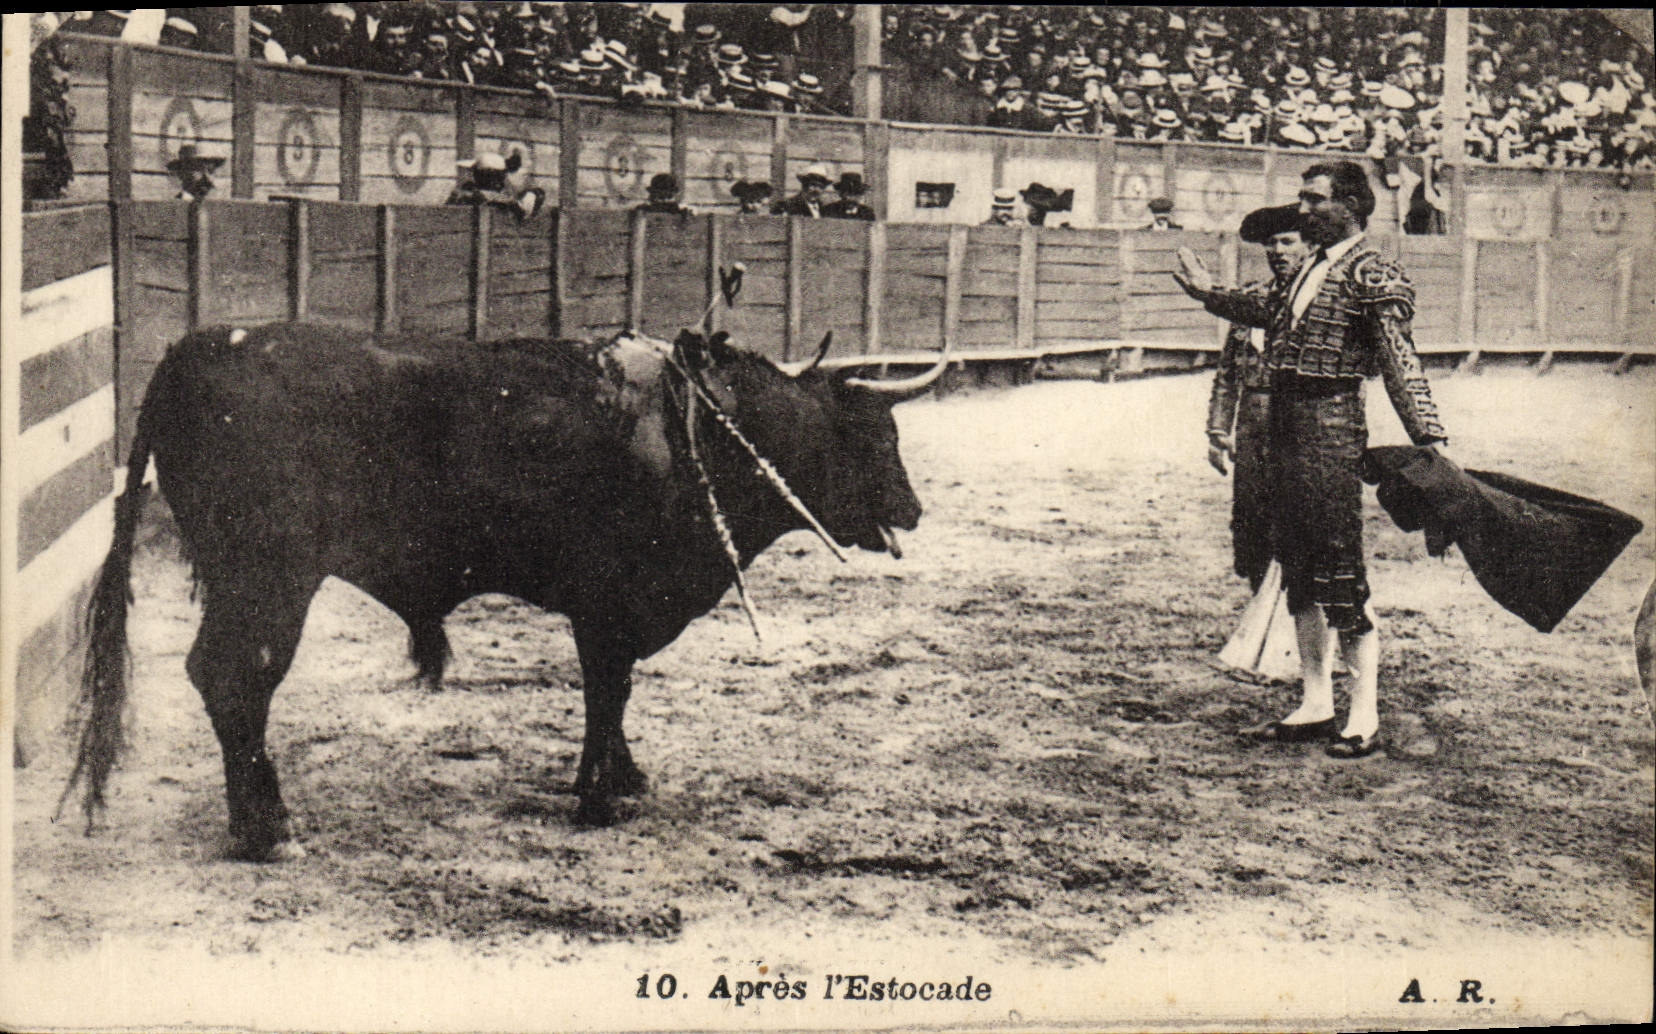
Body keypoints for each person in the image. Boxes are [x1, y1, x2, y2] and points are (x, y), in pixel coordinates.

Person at [1174, 160, 1447, 759]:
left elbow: (1401, 361)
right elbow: (1261, 310)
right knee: (1297, 566)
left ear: (1350, 205)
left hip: (1330, 425)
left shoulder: (1373, 270)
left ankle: (1364, 715)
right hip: (1283, 427)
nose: (1302, 209)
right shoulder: (1308, 269)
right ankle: (1317, 702)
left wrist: (1430, 437)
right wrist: (1205, 294)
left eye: (1313, 199)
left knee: (1339, 570)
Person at [1205, 204, 1311, 593]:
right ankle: (1259, 604)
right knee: (1252, 522)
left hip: (1300, 424)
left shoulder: (1319, 302)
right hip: (1252, 427)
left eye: (1288, 242)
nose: (1278, 251)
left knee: (1300, 522)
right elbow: (1228, 371)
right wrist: (1218, 430)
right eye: (1271, 244)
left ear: (1309, 246)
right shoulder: (1250, 299)